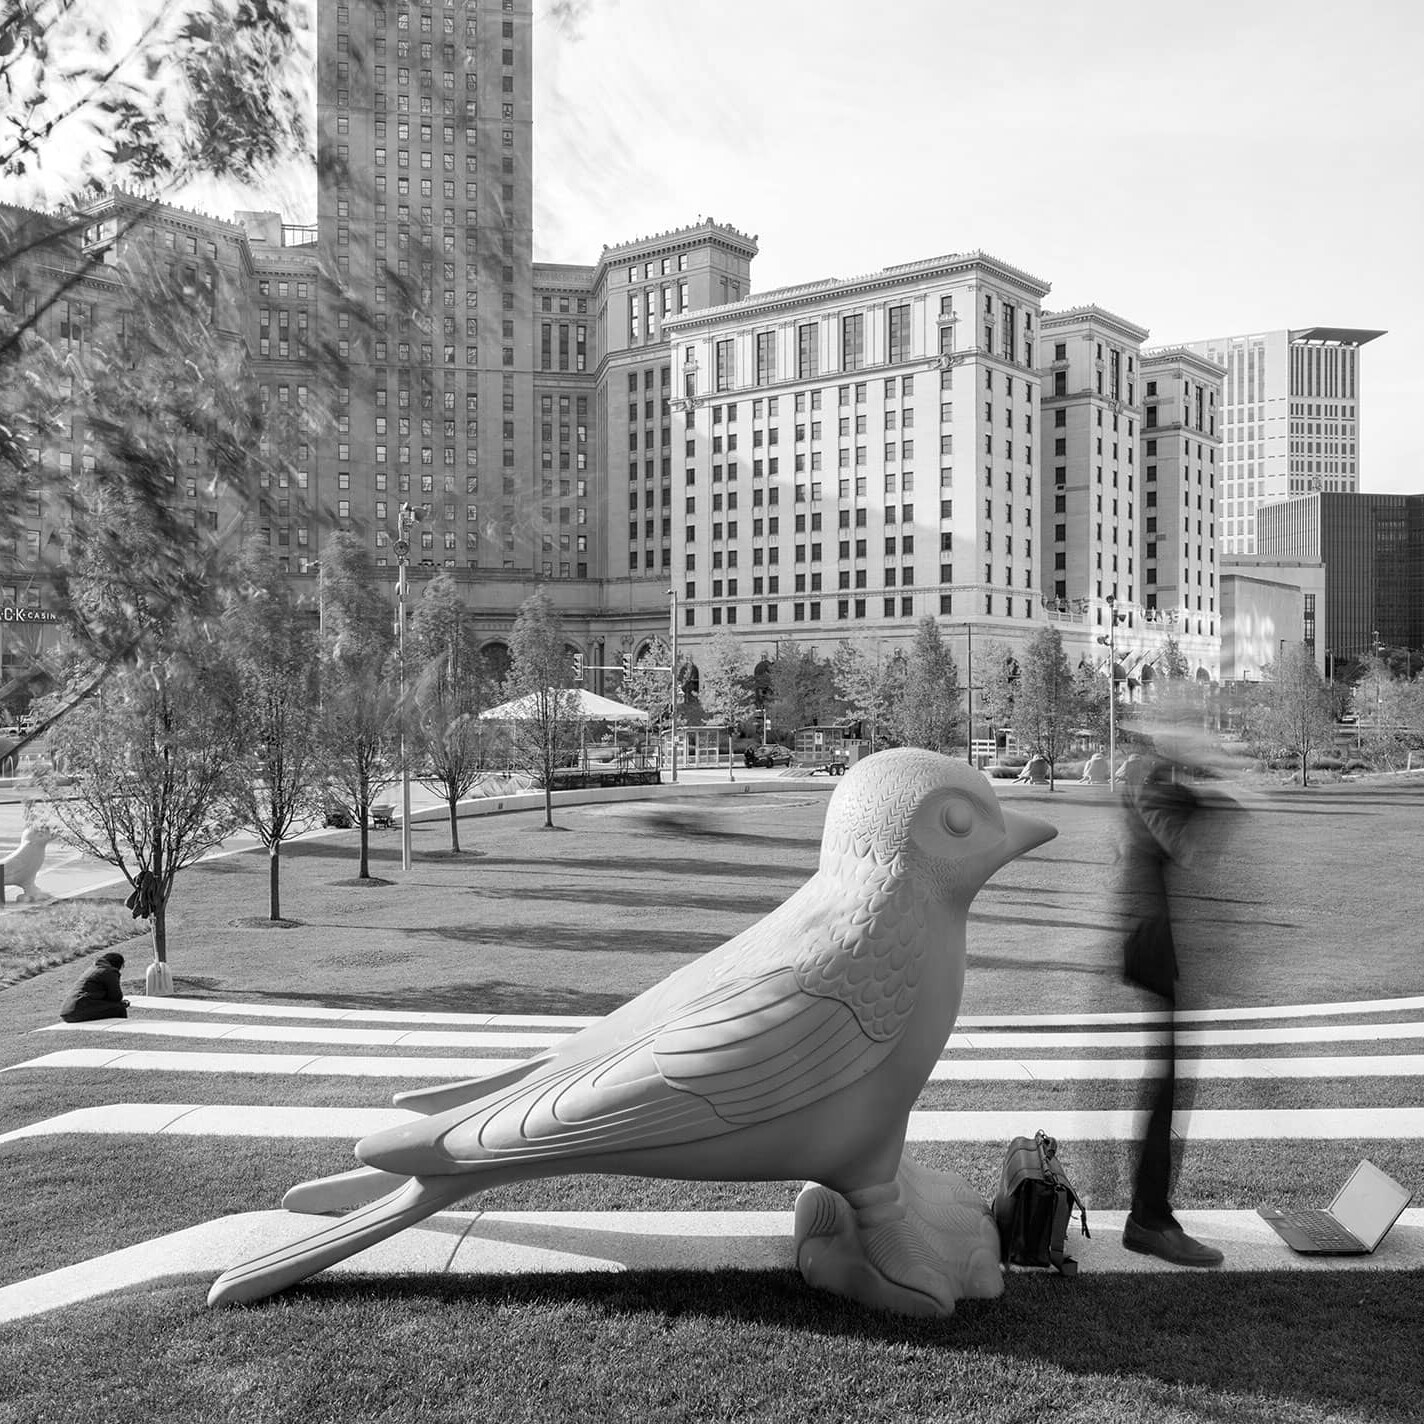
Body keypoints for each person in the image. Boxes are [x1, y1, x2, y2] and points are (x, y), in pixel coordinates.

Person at [1115, 751, 1223, 1267]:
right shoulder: (1150, 778)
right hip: (1153, 942)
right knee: (1165, 1081)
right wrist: (1208, 789)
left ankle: (1151, 1215)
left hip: (1159, 942)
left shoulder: (1154, 777)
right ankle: (1149, 1219)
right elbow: (1178, 839)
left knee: (1167, 1080)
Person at [59, 951, 130, 1023]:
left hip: (67, 1012)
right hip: (78, 1012)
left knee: (115, 1006)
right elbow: (116, 997)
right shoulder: (109, 971)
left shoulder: (94, 968)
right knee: (119, 1008)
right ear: (118, 964)